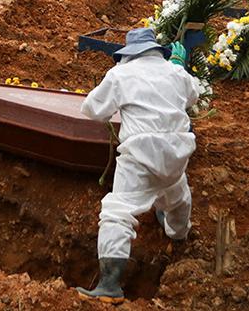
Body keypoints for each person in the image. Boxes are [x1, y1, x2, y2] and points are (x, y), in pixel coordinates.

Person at [75, 28, 198, 303]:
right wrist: (179, 66)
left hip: (140, 156)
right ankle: (179, 237)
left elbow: (92, 109)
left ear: (128, 54)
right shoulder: (175, 72)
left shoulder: (121, 75)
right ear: (157, 50)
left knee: (119, 211)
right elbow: (194, 96)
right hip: (177, 153)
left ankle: (109, 283)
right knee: (178, 196)